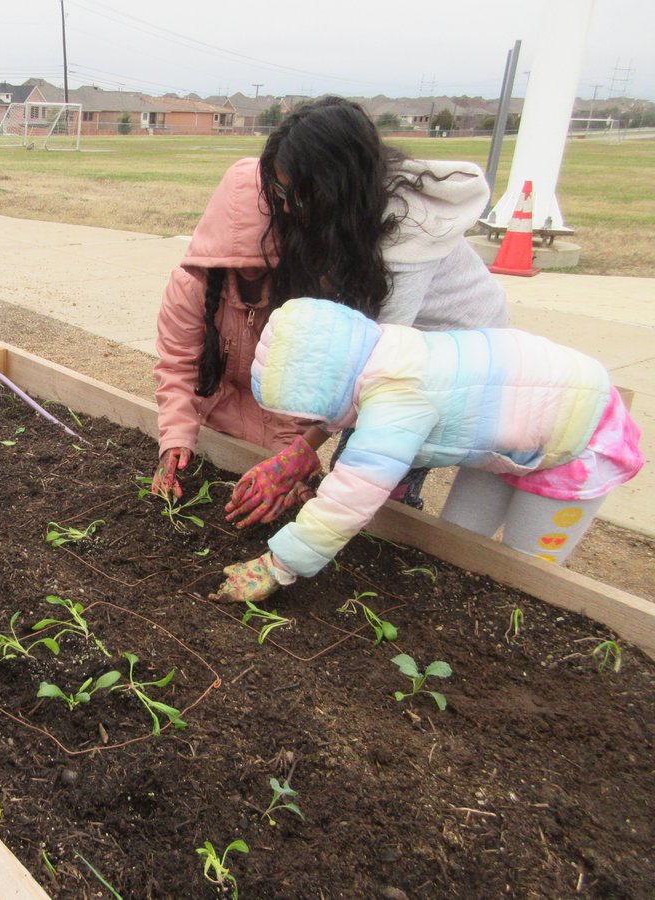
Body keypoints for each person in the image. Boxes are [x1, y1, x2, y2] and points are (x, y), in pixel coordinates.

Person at [152, 95, 509, 523]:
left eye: (292, 194)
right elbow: (181, 366)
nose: (284, 208)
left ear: (331, 182)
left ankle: (389, 521)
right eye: (278, 193)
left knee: (370, 489)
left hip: (456, 369)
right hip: (401, 366)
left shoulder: (405, 242)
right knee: (354, 488)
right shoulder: (335, 224)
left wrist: (300, 453)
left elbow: (367, 369)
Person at [208, 297, 644, 603]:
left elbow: (352, 495)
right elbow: (351, 411)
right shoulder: (381, 349)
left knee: (526, 576)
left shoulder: (399, 397)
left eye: (311, 412)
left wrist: (278, 564)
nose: (312, 422)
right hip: (504, 434)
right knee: (458, 541)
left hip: (577, 436)